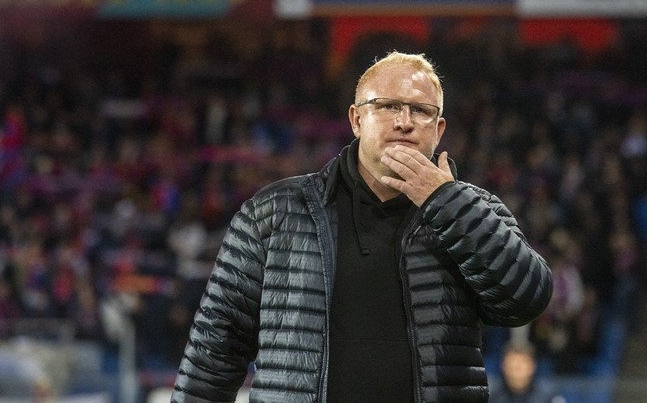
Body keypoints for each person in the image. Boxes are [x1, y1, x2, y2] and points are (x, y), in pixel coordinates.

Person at [171, 51, 553, 402]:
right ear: (356, 119)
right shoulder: (274, 212)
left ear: (438, 131)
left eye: (420, 111)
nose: (404, 122)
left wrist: (446, 202)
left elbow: (526, 299)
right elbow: (214, 350)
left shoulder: (475, 210)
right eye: (387, 106)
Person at [488, 341, 556, 403]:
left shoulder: (546, 398)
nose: (517, 368)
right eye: (512, 362)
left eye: (522, 363)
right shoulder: (491, 397)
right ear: (503, 366)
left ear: (532, 366)